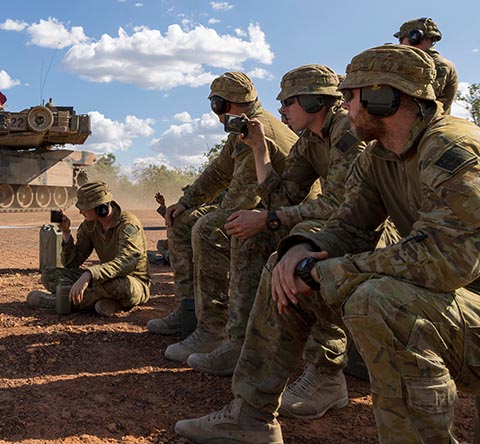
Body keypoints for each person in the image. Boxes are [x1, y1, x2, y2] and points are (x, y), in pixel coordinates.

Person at [175, 44, 480, 444]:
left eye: (350, 96)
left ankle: (332, 378)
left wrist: (326, 271)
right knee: (280, 267)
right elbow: (348, 225)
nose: (345, 105)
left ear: (383, 97)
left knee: (378, 298)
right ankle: (248, 418)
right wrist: (300, 249)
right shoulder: (380, 154)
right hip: (445, 302)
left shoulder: (451, 148)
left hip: (460, 304)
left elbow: (447, 259)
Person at [183, 65, 365, 422]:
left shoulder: (347, 131)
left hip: (364, 229)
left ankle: (327, 375)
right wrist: (260, 149)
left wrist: (269, 218)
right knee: (252, 235)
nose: (280, 110)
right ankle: (239, 342)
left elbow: (345, 205)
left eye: (288, 102)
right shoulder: (310, 140)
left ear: (314, 101)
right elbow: (281, 194)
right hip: (325, 222)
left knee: (306, 259)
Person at [146, 72, 297, 364]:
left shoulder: (258, 129)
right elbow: (218, 173)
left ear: (224, 104)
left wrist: (206, 215)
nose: (215, 114)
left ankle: (213, 328)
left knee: (209, 228)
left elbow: (240, 198)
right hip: (272, 210)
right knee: (183, 220)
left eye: (216, 106)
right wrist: (186, 203)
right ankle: (190, 310)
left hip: (289, 218)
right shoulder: (243, 127)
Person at [26, 181, 150, 317]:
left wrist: (89, 275)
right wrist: (66, 233)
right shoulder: (90, 225)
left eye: (84, 208)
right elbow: (71, 264)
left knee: (117, 285)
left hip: (132, 282)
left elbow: (126, 264)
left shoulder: (128, 225)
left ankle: (60, 302)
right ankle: (106, 302)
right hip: (103, 278)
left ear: (100, 208)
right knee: (49, 275)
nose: (80, 211)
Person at [395, 17, 458, 113]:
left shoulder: (439, 65)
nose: (400, 44)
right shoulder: (409, 61)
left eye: (402, 39)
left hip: (427, 125)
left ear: (415, 38)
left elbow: (421, 100)